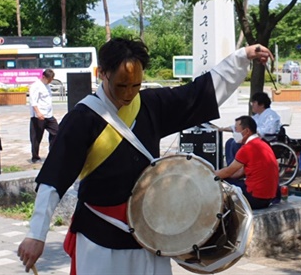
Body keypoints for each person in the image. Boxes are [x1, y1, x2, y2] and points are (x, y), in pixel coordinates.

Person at [17, 38, 272, 274]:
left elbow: (199, 94)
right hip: (99, 236)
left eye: (135, 85)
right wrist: (36, 234)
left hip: (152, 235)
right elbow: (54, 177)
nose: (129, 93)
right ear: (102, 73)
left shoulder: (150, 103)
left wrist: (242, 57)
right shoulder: (82, 119)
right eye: (121, 85)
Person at [215, 116, 279, 210]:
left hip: (255, 198)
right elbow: (239, 173)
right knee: (228, 180)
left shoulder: (247, 149)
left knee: (222, 185)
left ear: (246, 131)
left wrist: (210, 174)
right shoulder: (263, 144)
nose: (234, 133)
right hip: (269, 197)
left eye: (236, 130)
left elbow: (228, 172)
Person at [221, 92, 281, 165]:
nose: (252, 105)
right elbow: (244, 125)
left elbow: (268, 131)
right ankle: (230, 165)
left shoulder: (271, 116)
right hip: (255, 138)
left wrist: (249, 133)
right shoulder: (258, 116)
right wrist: (223, 129)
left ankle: (235, 167)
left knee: (235, 143)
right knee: (230, 141)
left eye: (254, 102)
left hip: (265, 140)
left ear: (261, 104)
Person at [29, 69, 58, 163]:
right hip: (39, 116)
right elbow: (33, 101)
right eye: (49, 79)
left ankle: (53, 153)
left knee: (56, 132)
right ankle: (35, 157)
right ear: (44, 77)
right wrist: (38, 113)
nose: (50, 81)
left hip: (49, 115)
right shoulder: (35, 86)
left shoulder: (47, 86)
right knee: (36, 137)